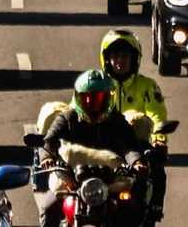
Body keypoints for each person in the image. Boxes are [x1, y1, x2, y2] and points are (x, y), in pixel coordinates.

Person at [36, 70, 145, 227]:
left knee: (134, 208)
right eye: (86, 97)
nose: (91, 102)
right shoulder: (68, 117)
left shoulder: (116, 120)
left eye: (97, 98)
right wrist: (47, 157)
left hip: (110, 178)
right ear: (78, 97)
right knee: (48, 208)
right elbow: (49, 141)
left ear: (108, 97)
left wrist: (136, 161)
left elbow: (129, 146)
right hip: (72, 177)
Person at [100, 30, 169, 221]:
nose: (120, 61)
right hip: (103, 148)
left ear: (134, 59)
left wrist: (160, 141)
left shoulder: (147, 86)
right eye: (115, 56)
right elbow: (77, 110)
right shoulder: (97, 84)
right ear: (106, 58)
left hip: (137, 147)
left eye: (125, 56)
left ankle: (154, 208)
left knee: (158, 172)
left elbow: (157, 114)